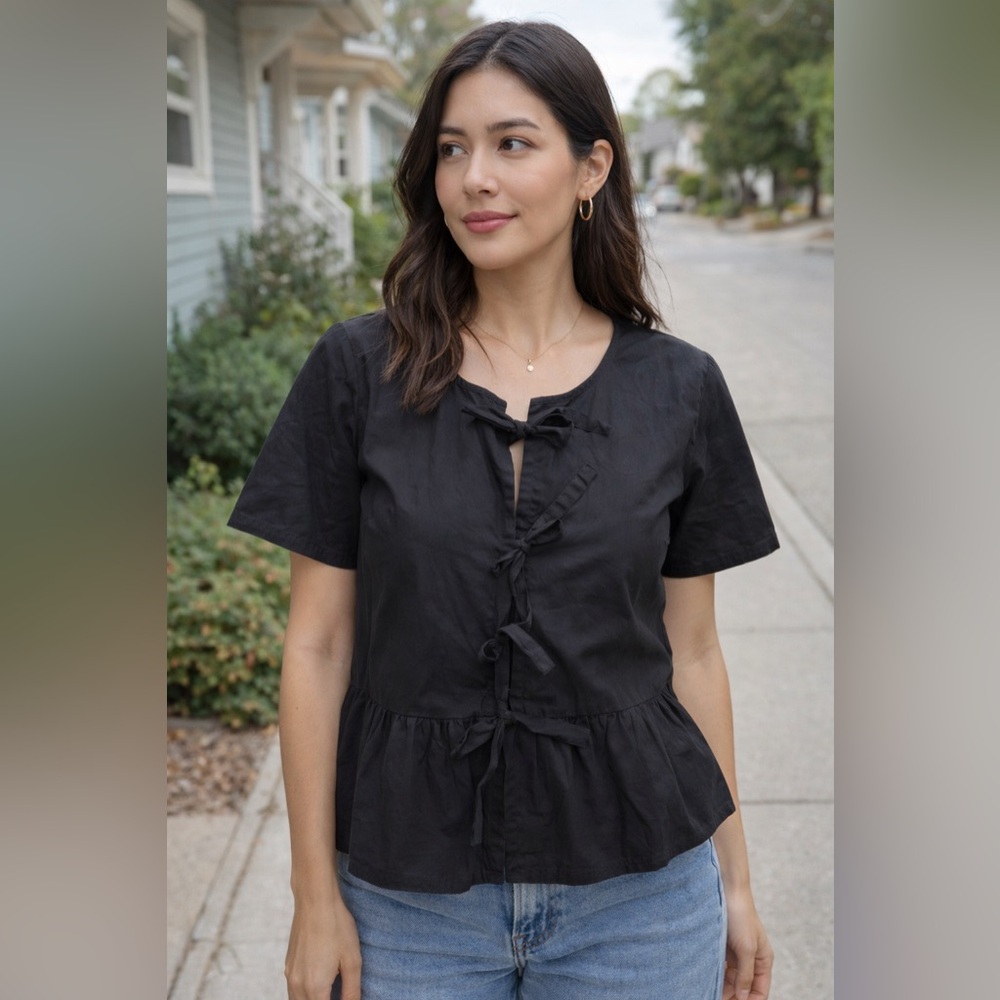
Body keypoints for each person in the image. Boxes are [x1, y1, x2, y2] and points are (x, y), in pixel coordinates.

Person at [228, 19, 779, 1000]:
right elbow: (316, 645)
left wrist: (734, 882)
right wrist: (315, 895)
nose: (474, 178)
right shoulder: (357, 372)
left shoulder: (680, 388)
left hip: (641, 903)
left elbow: (692, 651)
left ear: (591, 168)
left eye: (512, 143)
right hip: (407, 907)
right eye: (452, 149)